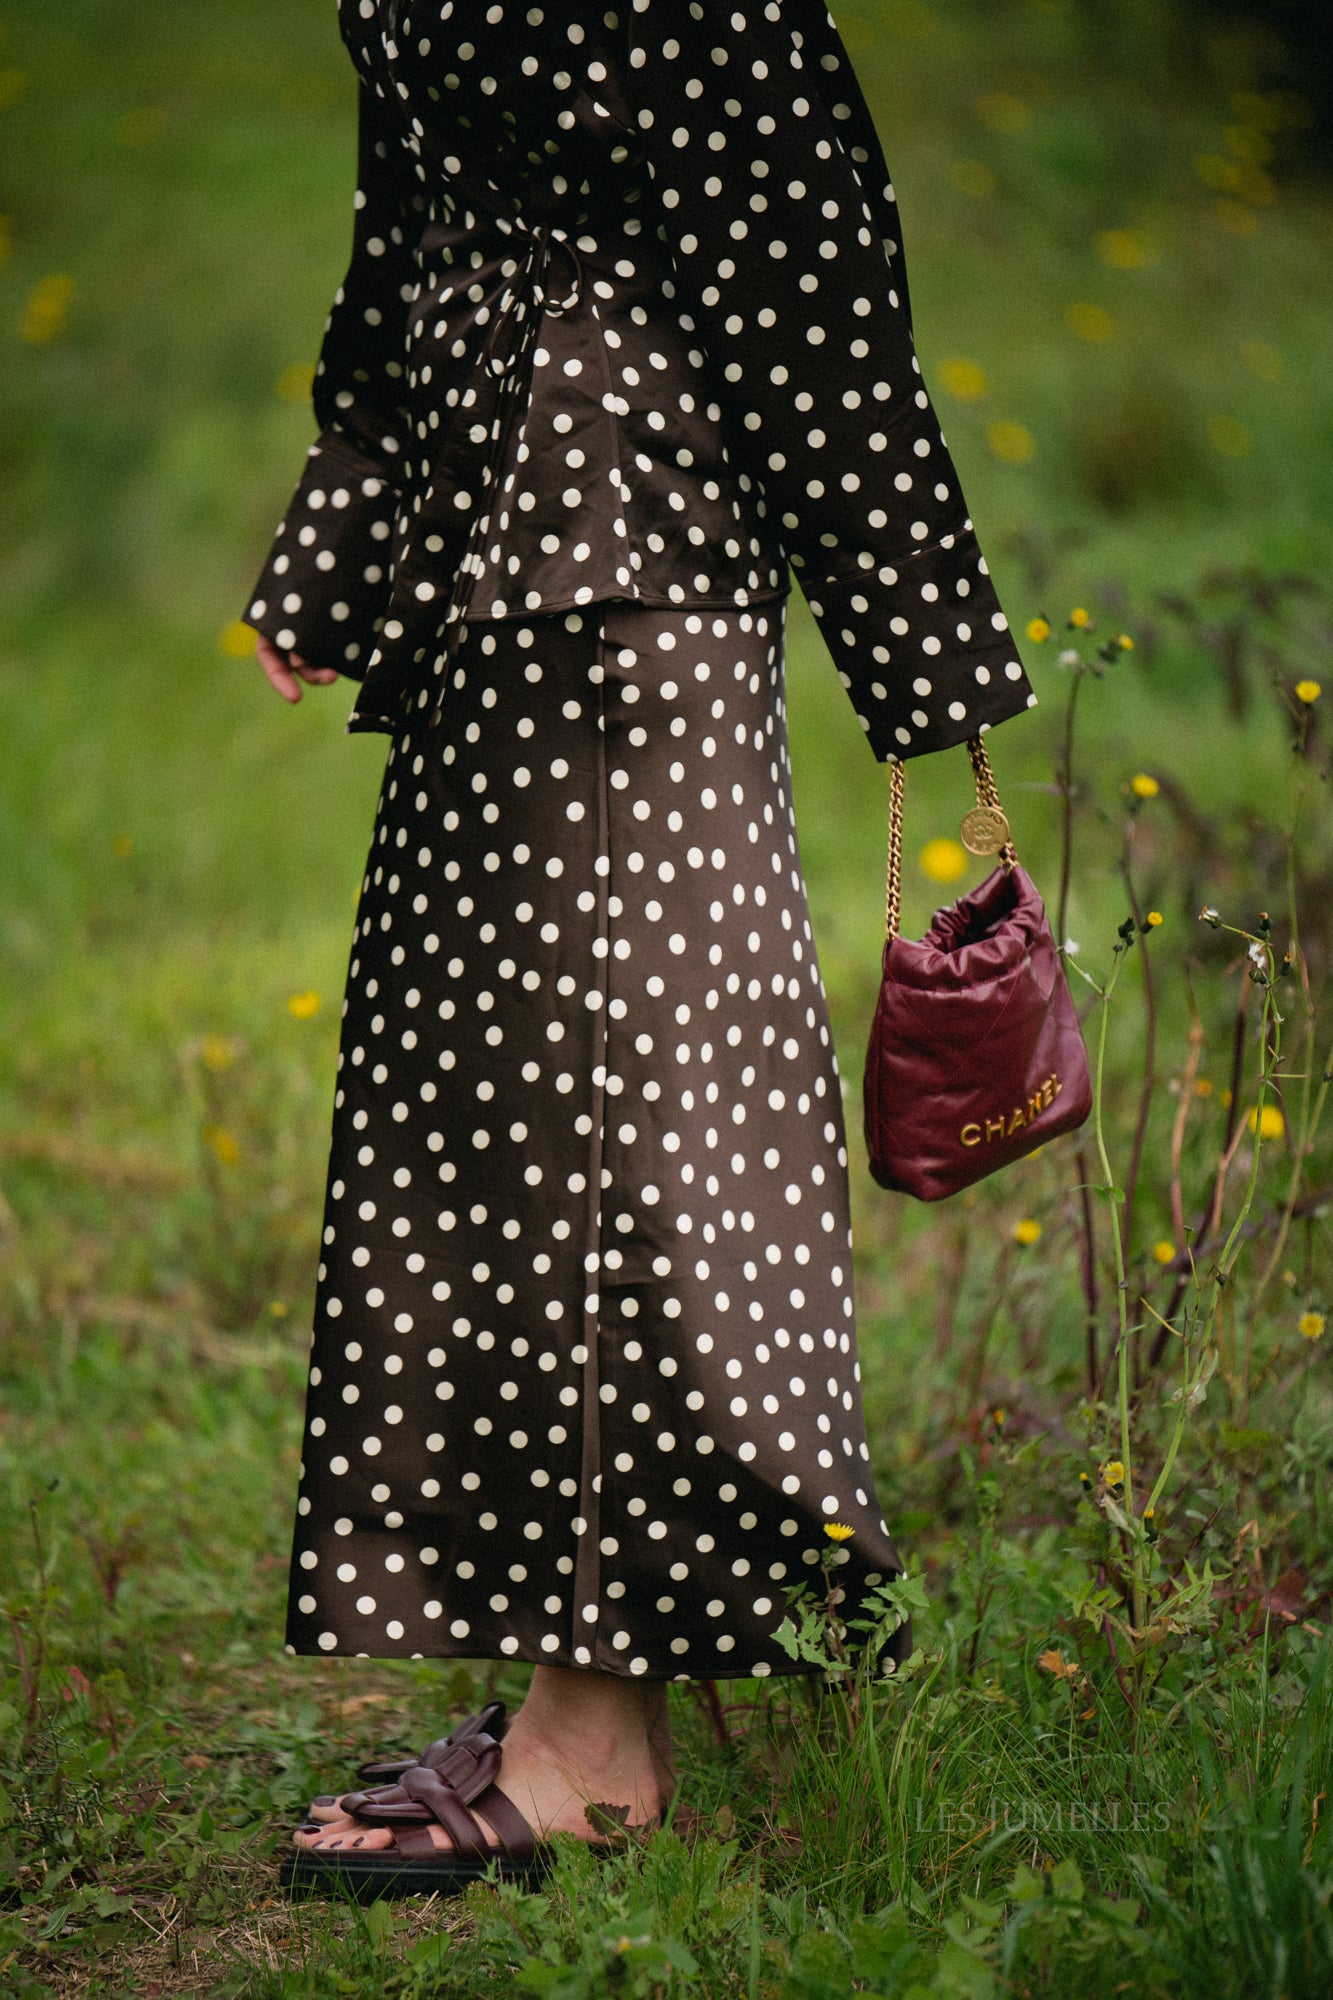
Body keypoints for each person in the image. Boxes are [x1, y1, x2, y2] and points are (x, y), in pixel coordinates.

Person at [243, 0, 1036, 1892]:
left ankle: (595, 1747)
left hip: (628, 572)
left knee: (621, 1150)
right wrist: (351, 532)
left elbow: (807, 275)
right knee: (505, 1129)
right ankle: (567, 1695)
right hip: (486, 562)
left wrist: (922, 664)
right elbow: (408, 230)